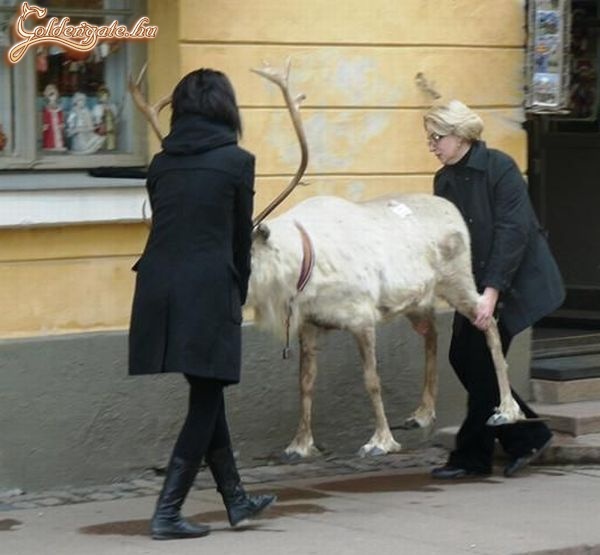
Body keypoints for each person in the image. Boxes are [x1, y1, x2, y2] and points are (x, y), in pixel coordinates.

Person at [128, 68, 275, 540]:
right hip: (209, 288)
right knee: (207, 395)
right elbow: (239, 240)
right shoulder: (237, 162)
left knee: (206, 392)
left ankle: (236, 500)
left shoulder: (160, 163)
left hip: (157, 286)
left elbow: (166, 224)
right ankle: (167, 512)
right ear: (225, 108)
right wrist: (240, 293)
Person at [422, 100, 565, 479]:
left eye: (437, 138)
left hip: (514, 283)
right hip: (473, 286)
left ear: (460, 135)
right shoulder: (445, 180)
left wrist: (491, 293)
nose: (432, 146)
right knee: (464, 358)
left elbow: (512, 233)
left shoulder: (499, 168)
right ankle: (528, 434)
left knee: (481, 363)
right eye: (429, 139)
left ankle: (473, 456)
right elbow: (448, 241)